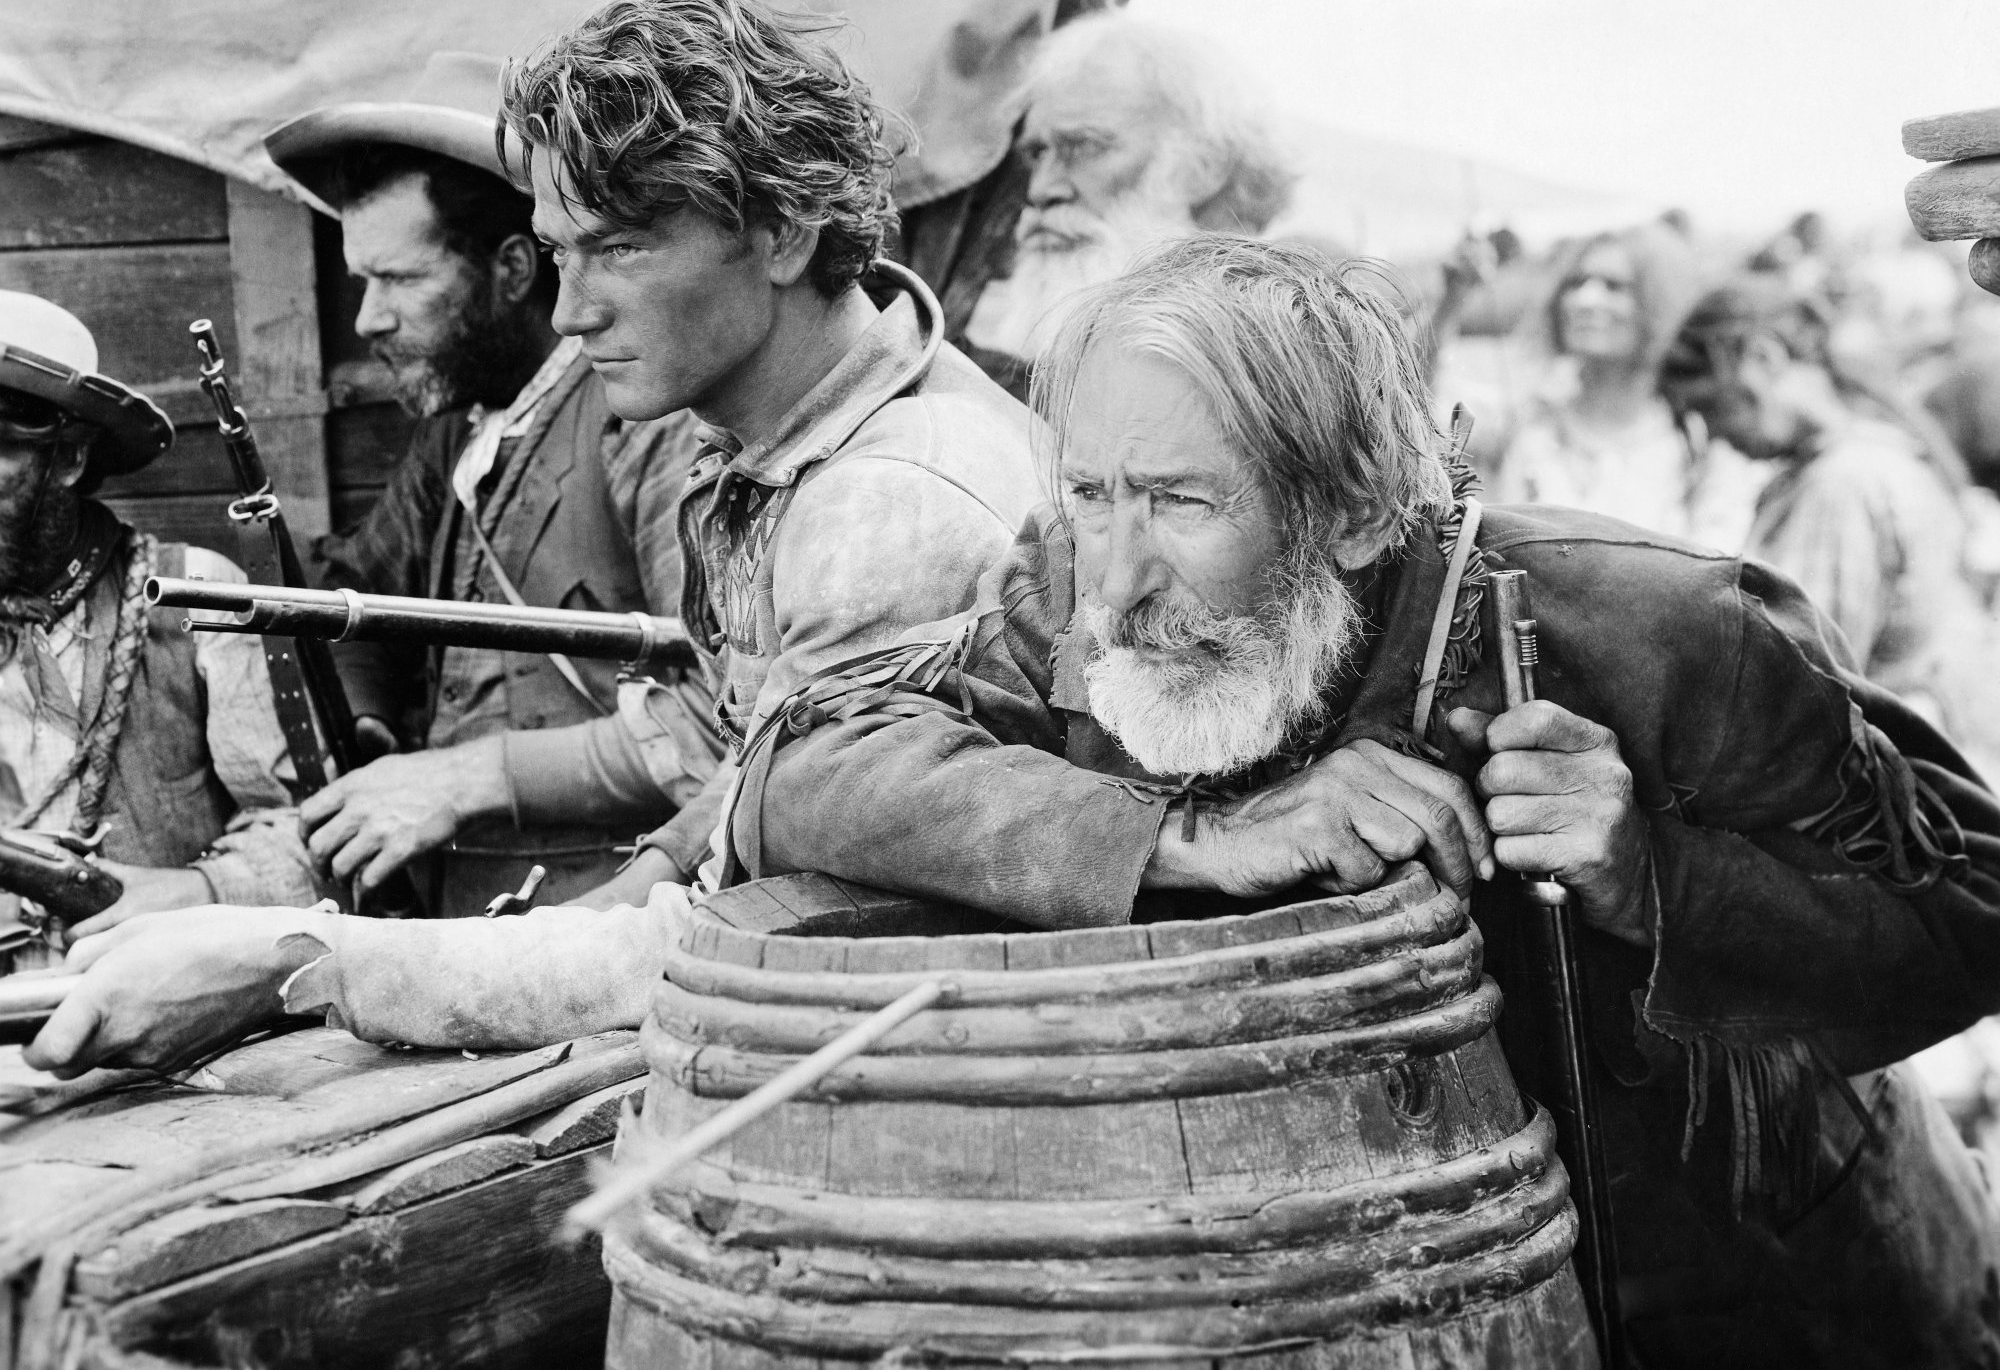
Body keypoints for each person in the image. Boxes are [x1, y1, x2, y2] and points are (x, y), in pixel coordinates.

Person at [717, 238, 1999, 1369]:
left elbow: (1974, 908)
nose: (1113, 579)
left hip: (1783, 1303)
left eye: (1177, 500)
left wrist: (1645, 871)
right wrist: (1185, 837)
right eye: (1093, 491)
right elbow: (801, 767)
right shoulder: (1073, 598)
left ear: (1352, 513)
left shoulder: (1658, 628)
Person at [26, 0, 1037, 1057]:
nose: (570, 310)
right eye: (560, 252)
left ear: (782, 233)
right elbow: (760, 780)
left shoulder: (884, 512)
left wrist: (292, 960)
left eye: (621, 248)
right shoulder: (770, 444)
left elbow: (731, 952)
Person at [265, 55, 714, 914]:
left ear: (513, 271)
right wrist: (371, 729)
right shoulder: (461, 429)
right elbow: (359, 593)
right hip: (466, 937)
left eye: (399, 280)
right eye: (363, 282)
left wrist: (464, 778)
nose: (368, 319)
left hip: (606, 933)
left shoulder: (647, 420)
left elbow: (714, 728)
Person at [0, 291, 323, 946]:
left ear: (69, 459)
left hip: (167, 1023)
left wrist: (198, 892)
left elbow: (313, 833)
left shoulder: (195, 595)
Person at [1660, 275, 2000, 781]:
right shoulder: (1881, 450)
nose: (1714, 433)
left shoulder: (1842, 481)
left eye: (1710, 405)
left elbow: (1804, 690)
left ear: (1763, 359)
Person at [961, 8, 1296, 392]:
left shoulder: (1271, 382)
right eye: (1038, 153)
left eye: (1082, 146)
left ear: (1203, 167)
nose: (1040, 189)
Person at [1491, 224, 1762, 549]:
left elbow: (1717, 566)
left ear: (1662, 302)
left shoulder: (1698, 441)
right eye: (1576, 283)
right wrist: (1449, 304)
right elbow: (1422, 425)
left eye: (1614, 286)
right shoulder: (1529, 418)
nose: (1585, 300)